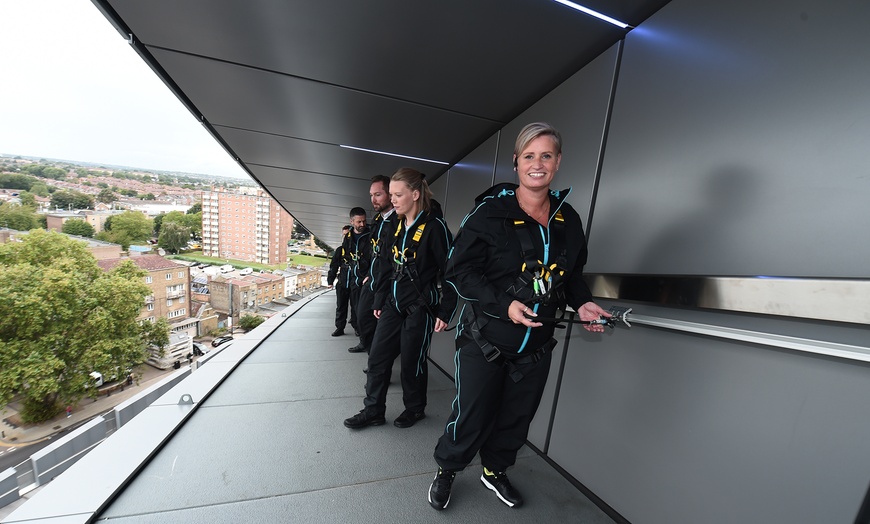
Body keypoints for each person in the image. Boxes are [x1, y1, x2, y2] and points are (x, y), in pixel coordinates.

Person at [428, 122, 610, 511]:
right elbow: (460, 271)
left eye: (546, 155)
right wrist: (503, 304)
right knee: (472, 415)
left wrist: (583, 303)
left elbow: (572, 276)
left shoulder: (569, 219)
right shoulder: (489, 213)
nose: (538, 164)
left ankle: (494, 471)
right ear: (516, 163)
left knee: (516, 418)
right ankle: (448, 467)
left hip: (536, 348)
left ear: (558, 162)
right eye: (529, 156)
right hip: (486, 339)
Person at [344, 168, 456, 429]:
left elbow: (451, 271)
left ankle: (414, 408)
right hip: (392, 304)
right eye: (391, 194)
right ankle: (373, 410)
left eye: (398, 194)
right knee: (377, 358)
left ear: (415, 194)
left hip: (420, 306)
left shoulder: (435, 227)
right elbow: (385, 264)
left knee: (411, 363)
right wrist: (379, 300)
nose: (392, 199)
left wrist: (445, 310)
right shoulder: (394, 223)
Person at [348, 175, 395, 356]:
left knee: (379, 324)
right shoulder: (377, 221)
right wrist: (368, 273)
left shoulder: (397, 222)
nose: (373, 200)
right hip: (372, 278)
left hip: (387, 282)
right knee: (362, 316)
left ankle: (375, 360)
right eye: (371, 195)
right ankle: (368, 348)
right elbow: (374, 252)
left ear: (390, 195)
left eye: (378, 194)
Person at [341, 207, 371, 352]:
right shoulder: (348, 237)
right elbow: (346, 255)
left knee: (366, 313)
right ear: (351, 221)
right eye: (359, 221)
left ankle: (368, 344)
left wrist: (370, 274)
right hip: (355, 279)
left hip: (369, 279)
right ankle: (363, 341)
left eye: (364, 221)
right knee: (356, 311)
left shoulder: (372, 234)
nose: (362, 224)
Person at [327, 225, 357, 337]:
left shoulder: (358, 249)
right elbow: (333, 266)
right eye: (344, 235)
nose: (345, 238)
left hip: (355, 283)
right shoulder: (340, 250)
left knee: (356, 307)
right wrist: (330, 281)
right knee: (341, 306)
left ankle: (356, 327)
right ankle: (339, 327)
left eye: (347, 235)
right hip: (342, 283)